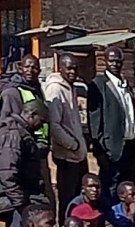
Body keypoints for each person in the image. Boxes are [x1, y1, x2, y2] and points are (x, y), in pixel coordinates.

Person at [0, 93, 49, 227]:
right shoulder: (12, 134)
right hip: (11, 201)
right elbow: (7, 174)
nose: (41, 126)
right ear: (31, 115)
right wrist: (22, 206)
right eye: (40, 121)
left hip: (17, 198)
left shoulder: (20, 133)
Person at [44, 51, 91, 212]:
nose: (73, 72)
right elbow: (54, 125)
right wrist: (73, 145)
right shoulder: (55, 89)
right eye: (69, 68)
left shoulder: (72, 87)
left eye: (75, 69)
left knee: (81, 197)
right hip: (67, 156)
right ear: (61, 68)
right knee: (68, 199)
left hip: (78, 156)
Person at [93, 45, 135, 192]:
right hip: (111, 148)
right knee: (111, 187)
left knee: (128, 187)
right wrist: (100, 150)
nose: (115, 64)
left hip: (130, 146)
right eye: (111, 61)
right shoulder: (99, 84)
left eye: (118, 61)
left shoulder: (126, 84)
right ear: (105, 61)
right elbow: (95, 120)